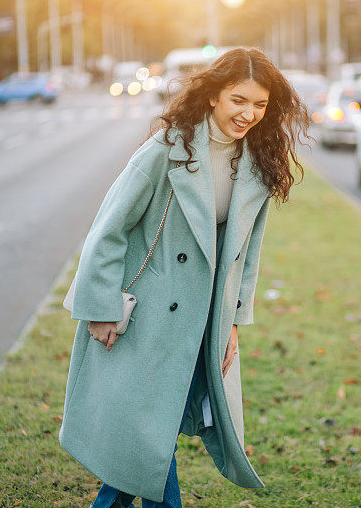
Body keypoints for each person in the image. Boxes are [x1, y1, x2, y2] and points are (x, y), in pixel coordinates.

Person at [58, 47, 310, 508]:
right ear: (213, 95)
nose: (249, 114)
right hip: (149, 316)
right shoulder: (166, 151)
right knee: (151, 434)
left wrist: (233, 320)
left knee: (153, 432)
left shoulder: (257, 159)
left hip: (204, 318)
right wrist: (101, 307)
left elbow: (246, 254)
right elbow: (108, 230)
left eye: (260, 104)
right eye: (239, 100)